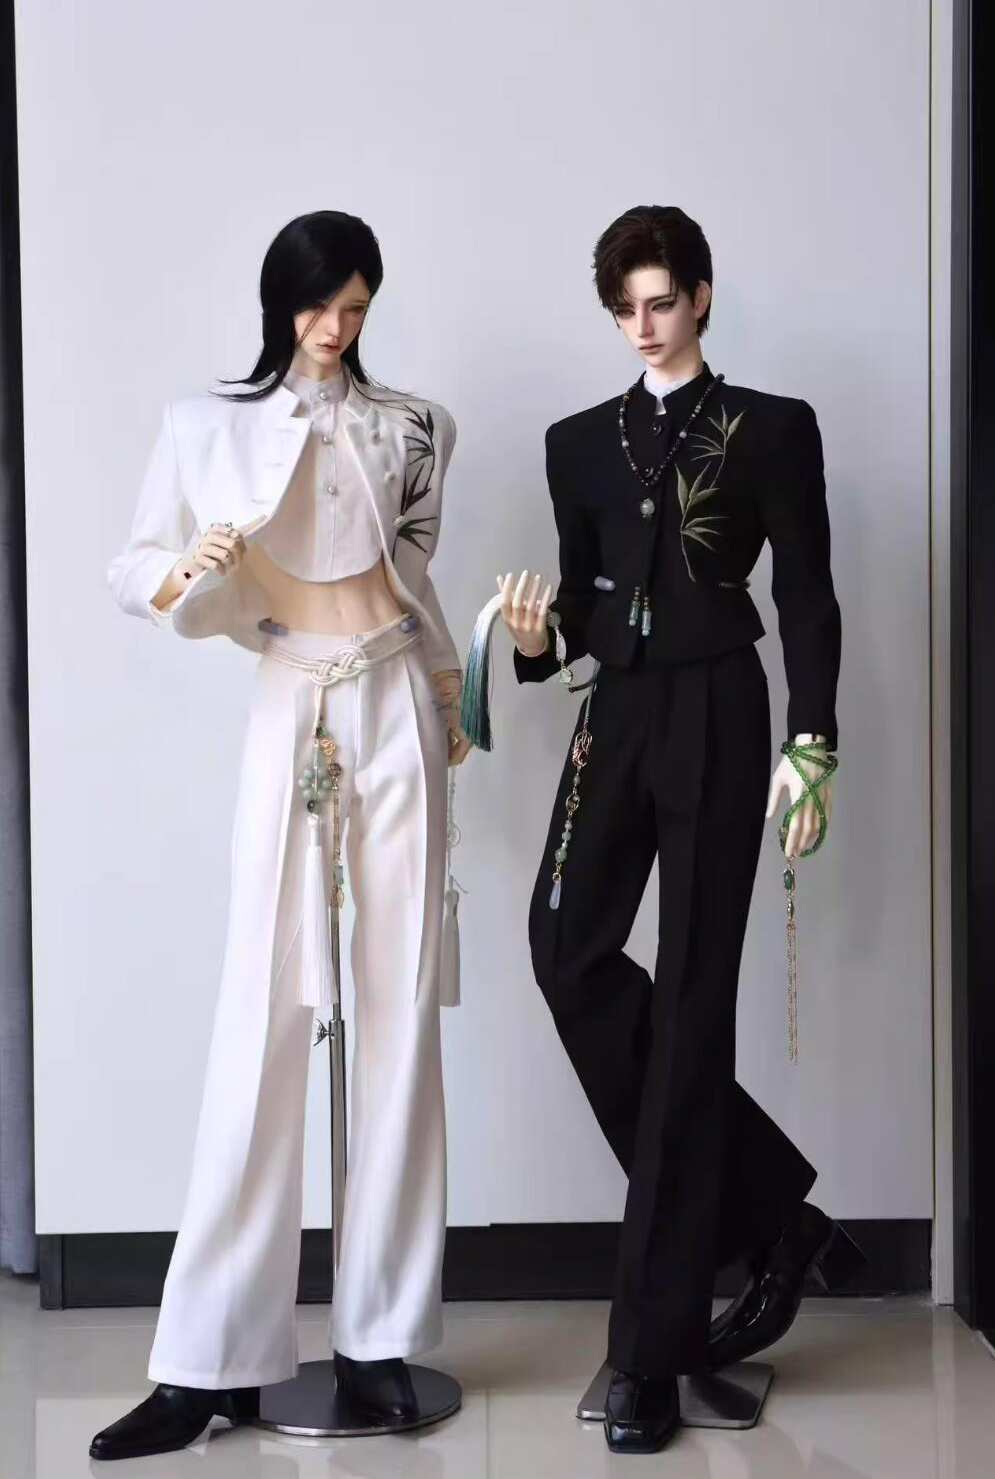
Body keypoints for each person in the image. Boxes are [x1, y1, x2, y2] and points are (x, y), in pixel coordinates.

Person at [90, 210, 470, 1462]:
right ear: (280, 301)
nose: (335, 327)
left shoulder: (416, 427)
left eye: (355, 306)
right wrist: (187, 569)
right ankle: (208, 1361)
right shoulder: (204, 426)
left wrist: (451, 699)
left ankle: (378, 1337)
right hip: (288, 696)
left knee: (398, 1012)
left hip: (395, 697)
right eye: (318, 303)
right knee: (259, 1009)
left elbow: (413, 579)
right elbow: (134, 566)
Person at [495, 205, 862, 1455]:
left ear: (699, 296)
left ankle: (651, 1353)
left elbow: (804, 591)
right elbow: (574, 602)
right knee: (563, 950)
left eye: (660, 302)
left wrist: (812, 738)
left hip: (720, 713)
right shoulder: (575, 443)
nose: (643, 327)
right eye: (624, 310)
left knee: (696, 1003)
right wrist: (533, 644)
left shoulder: (769, 426)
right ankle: (768, 1214)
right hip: (615, 712)